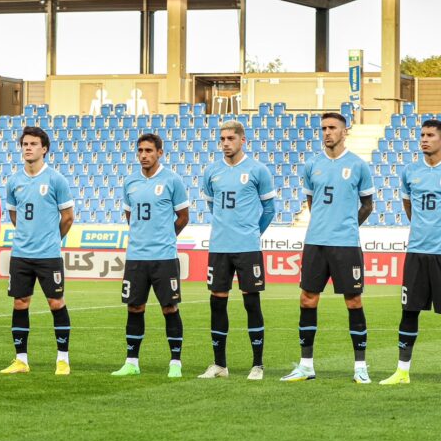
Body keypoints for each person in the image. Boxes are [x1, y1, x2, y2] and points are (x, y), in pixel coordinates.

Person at [380, 119, 441, 388]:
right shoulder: (410, 172)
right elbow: (409, 206)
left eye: (430, 135)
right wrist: (424, 231)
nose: (424, 139)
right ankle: (402, 371)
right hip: (417, 253)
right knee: (409, 311)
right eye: (422, 135)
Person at [282, 112, 375, 383]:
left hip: (345, 244)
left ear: (344, 132)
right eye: (323, 128)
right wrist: (324, 224)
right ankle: (306, 365)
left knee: (353, 301)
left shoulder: (358, 165)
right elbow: (312, 202)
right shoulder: (312, 165)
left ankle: (360, 367)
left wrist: (348, 225)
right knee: (307, 299)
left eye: (333, 128)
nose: (327, 132)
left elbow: (367, 204)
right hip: (315, 243)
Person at [198, 120, 276, 380]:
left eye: (230, 138)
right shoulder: (211, 172)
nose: (225, 143)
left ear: (242, 140)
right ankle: (219, 364)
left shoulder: (257, 170)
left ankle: (258, 365)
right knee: (216, 304)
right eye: (222, 139)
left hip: (247, 248)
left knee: (251, 303)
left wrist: (252, 233)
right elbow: (213, 207)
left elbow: (269, 210)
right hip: (220, 247)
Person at [111, 133, 190, 378]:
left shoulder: (172, 180)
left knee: (169, 307)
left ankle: (175, 362)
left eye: (149, 151)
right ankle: (132, 362)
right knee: (134, 307)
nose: (144, 155)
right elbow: (129, 216)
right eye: (140, 151)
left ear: (160, 153)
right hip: (136, 257)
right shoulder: (130, 182)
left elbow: (183, 217)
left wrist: (166, 236)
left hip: (164, 257)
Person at [0, 126, 75, 375]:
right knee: (20, 303)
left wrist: (53, 238)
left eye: (33, 144)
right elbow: (14, 214)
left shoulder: (56, 179)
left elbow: (67, 217)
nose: (28, 148)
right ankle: (21, 360)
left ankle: (62, 359)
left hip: (48, 255)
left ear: (44, 149)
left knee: (56, 302)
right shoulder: (14, 181)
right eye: (25, 144)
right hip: (21, 254)